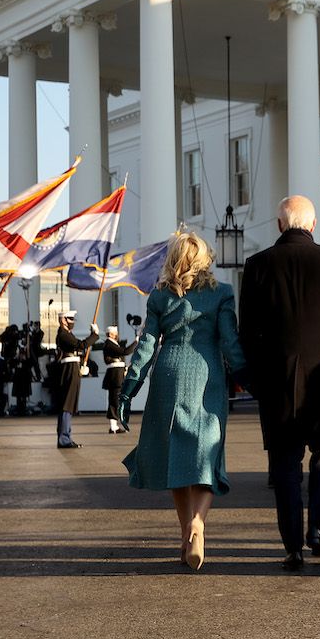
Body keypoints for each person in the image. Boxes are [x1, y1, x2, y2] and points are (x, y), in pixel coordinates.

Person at [239, 195, 320, 572]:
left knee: (285, 463)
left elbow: (248, 333)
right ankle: (318, 528)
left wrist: (253, 378)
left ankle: (292, 545)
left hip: (277, 380)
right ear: (312, 225)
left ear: (280, 225)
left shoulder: (258, 265)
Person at [117, 231, 246, 571]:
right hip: (207, 376)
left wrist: (128, 389)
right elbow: (230, 343)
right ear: (205, 259)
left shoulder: (160, 295)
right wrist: (248, 377)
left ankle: (184, 532)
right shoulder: (222, 293)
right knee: (207, 455)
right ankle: (198, 525)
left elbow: (146, 346)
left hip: (169, 375)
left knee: (176, 458)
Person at [52, 310, 98, 449]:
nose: (72, 321)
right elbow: (81, 345)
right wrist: (94, 335)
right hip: (69, 369)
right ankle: (64, 438)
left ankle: (65, 436)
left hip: (72, 367)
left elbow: (78, 348)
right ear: (63, 320)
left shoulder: (66, 334)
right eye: (70, 319)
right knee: (67, 403)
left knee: (69, 404)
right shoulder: (63, 334)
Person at [102, 326, 137, 434]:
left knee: (116, 400)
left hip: (117, 374)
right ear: (111, 334)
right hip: (114, 376)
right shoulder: (109, 343)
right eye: (115, 333)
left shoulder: (112, 343)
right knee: (114, 400)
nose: (117, 334)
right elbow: (125, 351)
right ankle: (113, 426)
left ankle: (114, 425)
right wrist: (136, 342)